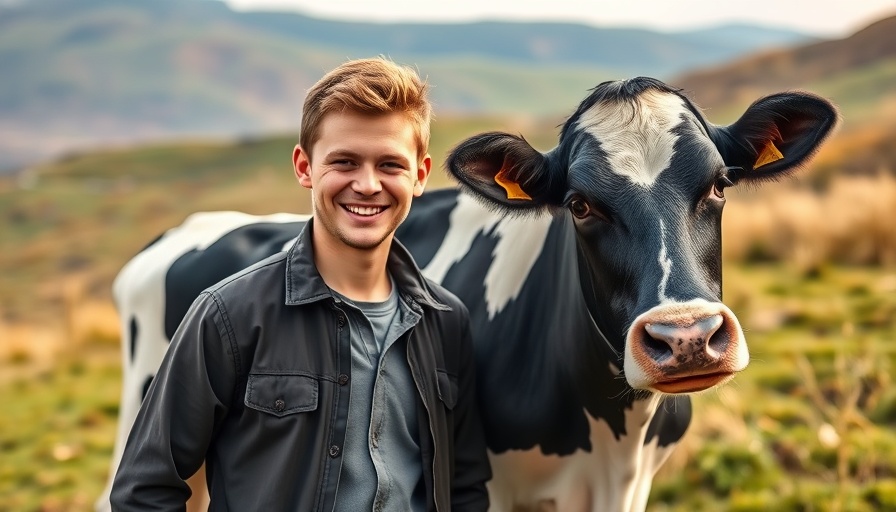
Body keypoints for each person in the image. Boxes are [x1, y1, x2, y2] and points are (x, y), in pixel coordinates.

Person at [110, 57, 492, 511]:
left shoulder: (446, 322)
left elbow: (465, 489)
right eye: (344, 162)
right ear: (304, 166)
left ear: (420, 176)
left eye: (390, 164)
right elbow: (144, 489)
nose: (368, 185)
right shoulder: (228, 315)